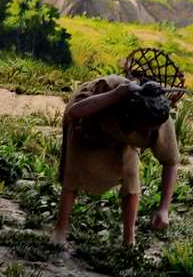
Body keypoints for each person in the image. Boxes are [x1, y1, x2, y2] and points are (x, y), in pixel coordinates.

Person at [53, 74, 180, 248]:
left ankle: (129, 240)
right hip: (88, 123)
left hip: (125, 136)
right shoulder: (111, 95)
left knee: (131, 176)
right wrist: (116, 94)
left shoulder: (159, 119)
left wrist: (164, 208)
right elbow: (75, 111)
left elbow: (171, 162)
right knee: (73, 173)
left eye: (153, 130)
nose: (149, 135)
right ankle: (61, 229)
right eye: (145, 130)